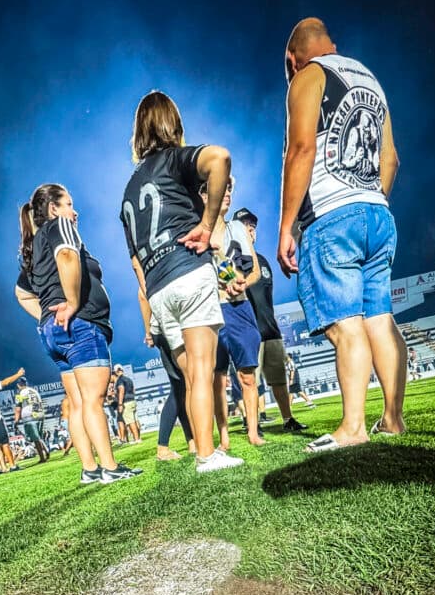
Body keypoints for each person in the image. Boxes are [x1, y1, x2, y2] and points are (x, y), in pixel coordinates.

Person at [278, 18, 406, 451]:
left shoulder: (308, 76)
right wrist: (370, 199)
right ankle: (392, 420)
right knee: (379, 321)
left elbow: (301, 150)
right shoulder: (370, 80)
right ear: (332, 43)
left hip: (332, 217)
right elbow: (391, 160)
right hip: (377, 213)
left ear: (293, 58)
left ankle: (352, 427)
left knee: (344, 325)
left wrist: (286, 226)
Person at [121, 91, 243, 473]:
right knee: (204, 372)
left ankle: (201, 450)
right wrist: (206, 225)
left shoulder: (128, 188)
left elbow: (136, 261)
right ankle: (207, 455)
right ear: (172, 123)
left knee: (191, 377)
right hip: (187, 271)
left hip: (158, 289)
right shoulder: (175, 157)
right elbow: (220, 158)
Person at [15, 183, 141, 485]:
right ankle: (109, 467)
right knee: (93, 401)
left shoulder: (33, 246)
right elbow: (68, 256)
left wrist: (46, 317)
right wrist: (71, 303)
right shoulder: (60, 226)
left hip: (54, 333)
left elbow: (21, 294)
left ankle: (89, 469)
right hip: (80, 326)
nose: (75, 211)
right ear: (53, 209)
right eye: (69, 204)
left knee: (78, 403)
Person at [197, 177, 266, 449]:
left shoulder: (238, 227)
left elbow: (256, 271)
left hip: (240, 308)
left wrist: (242, 282)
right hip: (211, 310)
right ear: (203, 195)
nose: (227, 193)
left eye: (229, 189)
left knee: (247, 375)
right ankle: (223, 437)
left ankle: (252, 432)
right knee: (217, 378)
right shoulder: (197, 228)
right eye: (220, 189)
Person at [232, 207, 309, 432]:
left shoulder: (264, 263)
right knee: (251, 382)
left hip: (271, 331)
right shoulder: (232, 261)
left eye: (253, 227)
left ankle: (288, 419)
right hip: (249, 332)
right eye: (245, 227)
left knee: (278, 379)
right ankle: (252, 424)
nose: (251, 231)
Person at [138, 288, 195, 461]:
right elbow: (142, 294)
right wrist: (148, 331)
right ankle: (163, 447)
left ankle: (191, 442)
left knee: (181, 388)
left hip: (163, 327)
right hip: (171, 326)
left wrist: (149, 331)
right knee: (181, 388)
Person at [14, 377, 50, 463]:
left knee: (35, 438)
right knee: (38, 437)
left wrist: (16, 421)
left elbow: (18, 408)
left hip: (30, 416)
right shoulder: (34, 391)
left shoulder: (20, 393)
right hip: (40, 414)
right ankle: (46, 450)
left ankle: (42, 457)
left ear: (18, 385)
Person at [112, 364, 141, 444]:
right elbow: (134, 390)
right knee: (135, 420)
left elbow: (121, 390)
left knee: (131, 422)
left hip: (126, 402)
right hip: (132, 400)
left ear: (116, 371)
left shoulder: (120, 380)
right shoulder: (129, 379)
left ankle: (136, 439)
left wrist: (120, 404)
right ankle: (138, 437)